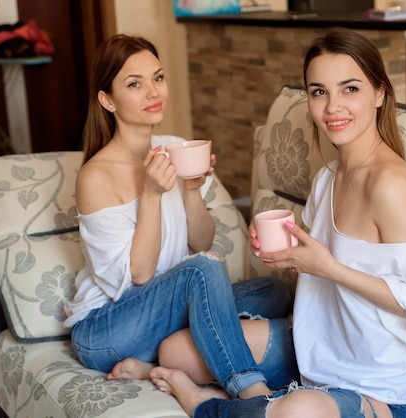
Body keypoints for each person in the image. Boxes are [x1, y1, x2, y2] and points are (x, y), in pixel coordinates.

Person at [148, 27, 406, 418]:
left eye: (350, 89)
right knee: (175, 350)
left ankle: (205, 404)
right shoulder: (328, 178)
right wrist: (292, 254)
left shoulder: (390, 183)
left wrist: (329, 268)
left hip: (376, 385)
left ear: (380, 93)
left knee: (297, 412)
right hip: (315, 354)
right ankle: (263, 401)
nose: (332, 107)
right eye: (319, 91)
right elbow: (324, 266)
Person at [62, 34, 295, 400]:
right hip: (107, 328)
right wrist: (151, 194)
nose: (153, 92)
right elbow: (138, 276)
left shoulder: (172, 146)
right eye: (134, 84)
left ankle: (157, 363)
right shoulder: (96, 175)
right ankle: (250, 391)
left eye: (157, 78)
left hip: (162, 315)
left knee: (273, 291)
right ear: (107, 100)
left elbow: (200, 240)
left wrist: (190, 190)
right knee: (202, 269)